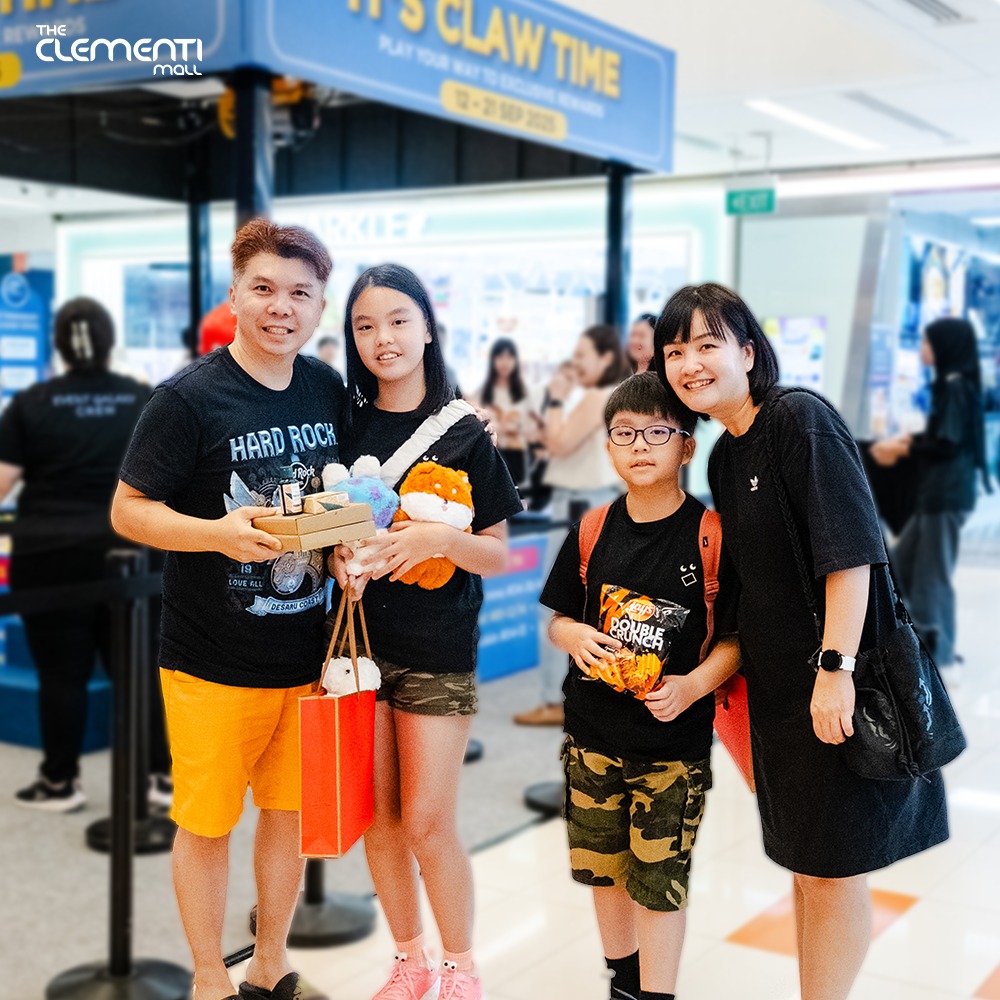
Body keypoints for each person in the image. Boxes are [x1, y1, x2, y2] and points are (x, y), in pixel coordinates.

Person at [654, 282, 949, 1000]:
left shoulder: (798, 420)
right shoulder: (726, 455)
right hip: (778, 694)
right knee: (809, 865)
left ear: (748, 352)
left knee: (835, 867)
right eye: (674, 350)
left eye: (706, 343)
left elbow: (851, 555)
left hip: (828, 685)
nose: (689, 362)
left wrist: (835, 669)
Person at [111, 218, 346, 1000]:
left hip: (306, 656)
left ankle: (270, 962)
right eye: (265, 289)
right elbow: (129, 510)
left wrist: (350, 539)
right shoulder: (187, 398)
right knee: (207, 824)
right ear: (235, 294)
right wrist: (214, 533)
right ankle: (211, 976)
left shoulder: (324, 388)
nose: (283, 307)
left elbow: (347, 493)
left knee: (286, 817)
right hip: (211, 661)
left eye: (301, 294)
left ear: (319, 306)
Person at [333, 263, 521, 1000]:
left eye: (399, 320)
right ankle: (408, 960)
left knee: (428, 823)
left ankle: (460, 969)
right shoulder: (343, 422)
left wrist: (436, 542)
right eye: (366, 325)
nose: (384, 339)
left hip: (439, 648)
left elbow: (501, 552)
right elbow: (324, 523)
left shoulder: (465, 430)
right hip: (356, 650)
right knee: (377, 821)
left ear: (428, 327)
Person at [540, 372, 740, 1000]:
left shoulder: (712, 537)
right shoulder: (593, 529)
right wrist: (572, 637)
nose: (639, 445)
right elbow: (561, 620)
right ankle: (622, 980)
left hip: (671, 749)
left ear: (687, 445)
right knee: (604, 874)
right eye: (624, 433)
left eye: (658, 432)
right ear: (608, 447)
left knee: (658, 882)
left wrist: (692, 686)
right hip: (591, 736)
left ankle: (657, 993)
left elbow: (736, 642)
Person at [0, 297, 171, 812]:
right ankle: (159, 777)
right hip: (135, 551)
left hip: (49, 555)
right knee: (141, 668)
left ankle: (59, 782)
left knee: (61, 673)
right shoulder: (142, 397)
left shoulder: (30, 403)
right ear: (108, 339)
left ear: (59, 344)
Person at [515, 324, 627, 726]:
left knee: (557, 608)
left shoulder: (598, 396)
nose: (575, 365)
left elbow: (559, 445)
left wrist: (557, 400)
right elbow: (553, 444)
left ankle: (551, 700)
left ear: (605, 359)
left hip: (577, 509)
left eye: (582, 357)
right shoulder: (609, 397)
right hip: (586, 505)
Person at [870, 317, 991, 683]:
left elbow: (948, 444)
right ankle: (933, 650)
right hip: (939, 494)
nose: (922, 350)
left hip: (944, 495)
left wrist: (904, 446)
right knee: (911, 567)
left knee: (930, 575)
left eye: (927, 343)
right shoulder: (954, 385)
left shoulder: (955, 387)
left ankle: (941, 659)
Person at [472, 337, 535, 487]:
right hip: (493, 457)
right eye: (500, 357)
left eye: (509, 357)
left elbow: (532, 428)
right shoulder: (482, 392)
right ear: (493, 360)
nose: (505, 362)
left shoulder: (524, 393)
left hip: (519, 458)